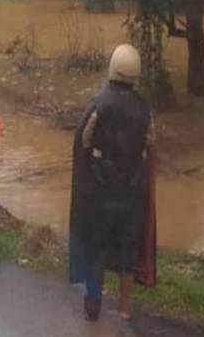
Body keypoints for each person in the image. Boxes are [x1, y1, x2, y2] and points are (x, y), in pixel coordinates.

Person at [69, 44, 157, 322]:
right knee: (127, 251)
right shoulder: (144, 109)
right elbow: (150, 146)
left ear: (113, 68)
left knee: (96, 247)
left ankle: (93, 300)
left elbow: (82, 143)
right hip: (131, 195)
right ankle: (125, 307)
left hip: (100, 193)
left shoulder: (98, 104)